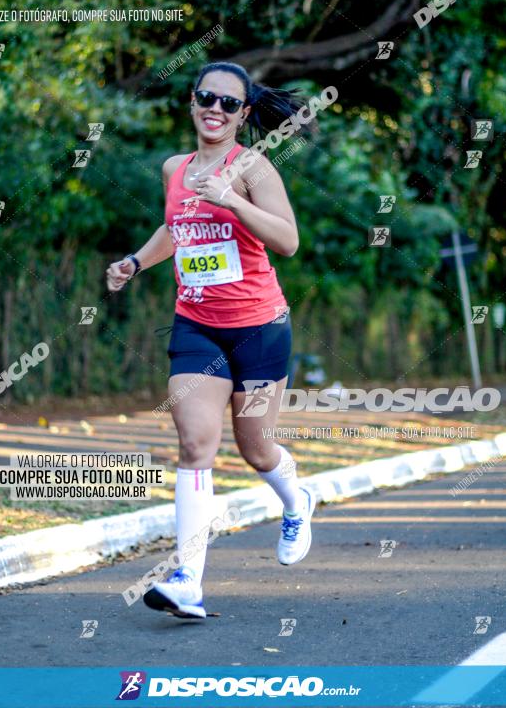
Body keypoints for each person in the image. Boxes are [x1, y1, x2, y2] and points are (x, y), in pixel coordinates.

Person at [106, 61, 315, 619]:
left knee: (255, 448)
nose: (215, 109)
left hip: (260, 327)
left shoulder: (253, 167)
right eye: (206, 98)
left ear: (244, 114)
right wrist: (134, 262)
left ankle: (296, 501)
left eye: (228, 103)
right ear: (192, 102)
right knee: (196, 443)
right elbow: (177, 230)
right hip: (197, 325)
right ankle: (187, 582)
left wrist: (231, 199)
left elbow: (289, 241)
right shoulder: (174, 167)